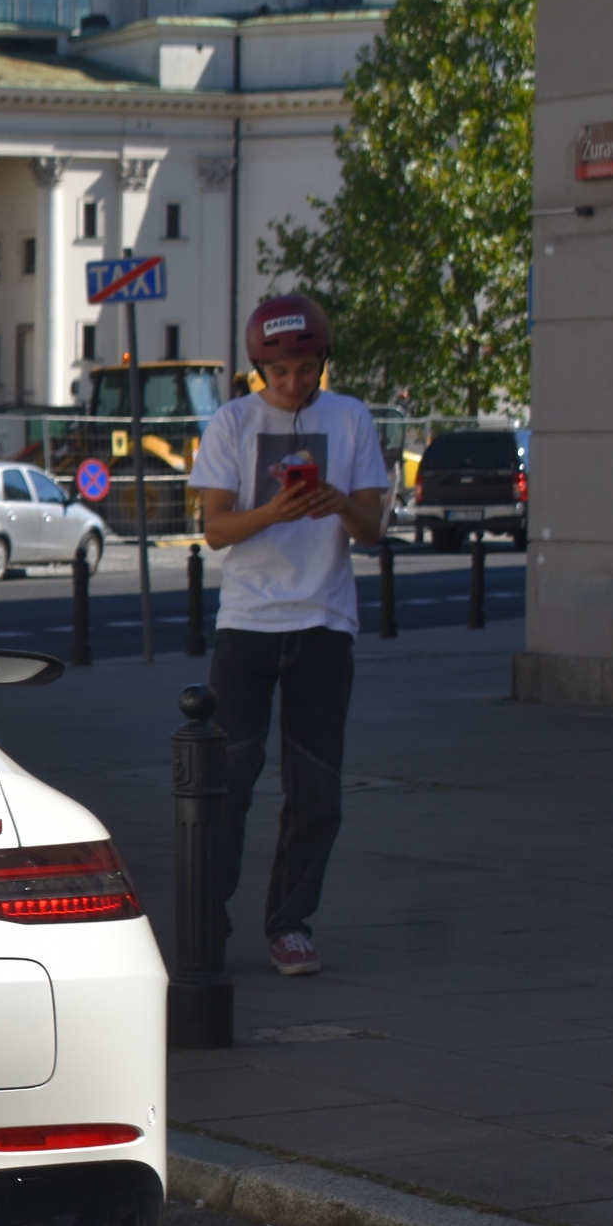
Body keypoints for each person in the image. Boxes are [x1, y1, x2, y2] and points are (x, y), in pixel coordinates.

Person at [188, 294, 389, 977]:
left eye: (307, 370)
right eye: (281, 374)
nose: (295, 384)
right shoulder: (231, 422)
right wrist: (274, 510)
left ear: (323, 363)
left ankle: (290, 923)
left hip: (324, 624)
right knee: (229, 782)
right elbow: (215, 529)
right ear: (258, 372)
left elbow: (374, 528)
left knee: (317, 791)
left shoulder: (352, 417)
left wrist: (340, 503)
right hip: (247, 625)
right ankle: (206, 918)